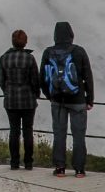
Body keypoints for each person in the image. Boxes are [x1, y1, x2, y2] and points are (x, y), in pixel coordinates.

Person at [40, 21, 94, 178]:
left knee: (59, 134)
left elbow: (43, 78)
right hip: (77, 100)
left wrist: (49, 95)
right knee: (78, 136)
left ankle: (60, 168)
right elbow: (87, 77)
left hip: (57, 100)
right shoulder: (79, 51)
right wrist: (90, 99)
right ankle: (79, 170)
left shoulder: (48, 52)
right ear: (71, 34)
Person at [0, 29, 40, 171]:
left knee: (14, 131)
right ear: (25, 42)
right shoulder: (29, 58)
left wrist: (7, 91)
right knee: (28, 131)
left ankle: (14, 162)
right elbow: (35, 79)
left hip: (11, 100)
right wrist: (36, 93)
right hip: (28, 99)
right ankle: (28, 163)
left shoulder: (4, 58)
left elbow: (1, 79)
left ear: (12, 41)